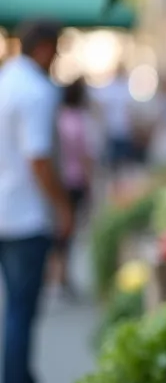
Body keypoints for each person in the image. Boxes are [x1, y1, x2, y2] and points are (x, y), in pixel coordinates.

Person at [0, 19, 74, 383]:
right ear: (45, 47)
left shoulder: (7, 80)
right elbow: (39, 158)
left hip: (6, 210)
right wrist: (62, 206)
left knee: (14, 311)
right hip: (26, 217)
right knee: (20, 314)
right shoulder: (36, 91)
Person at [51, 77, 98, 299]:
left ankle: (58, 273)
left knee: (61, 228)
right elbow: (86, 155)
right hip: (75, 181)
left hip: (60, 180)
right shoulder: (79, 120)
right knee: (68, 229)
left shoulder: (58, 118)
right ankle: (61, 275)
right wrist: (90, 183)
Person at [94, 66, 138, 172]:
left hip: (123, 129)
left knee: (123, 160)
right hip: (113, 129)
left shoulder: (125, 87)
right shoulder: (111, 87)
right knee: (114, 161)